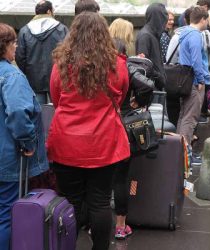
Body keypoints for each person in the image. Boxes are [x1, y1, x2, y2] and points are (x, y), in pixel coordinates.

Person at [47, 12, 130, 250]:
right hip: (105, 142)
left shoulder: (61, 65)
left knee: (71, 201)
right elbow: (120, 97)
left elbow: (56, 100)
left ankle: (65, 245)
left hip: (67, 143)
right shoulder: (118, 65)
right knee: (100, 202)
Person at [0, 23, 49, 249]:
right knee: (6, 212)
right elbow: (19, 112)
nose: (16, 46)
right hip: (7, 156)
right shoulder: (11, 76)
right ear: (5, 46)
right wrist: (28, 142)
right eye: (14, 43)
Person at [108, 17, 135, 240]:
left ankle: (93, 223)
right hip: (124, 124)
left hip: (102, 126)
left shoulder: (98, 65)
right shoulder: (129, 64)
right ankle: (120, 225)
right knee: (121, 178)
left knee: (99, 179)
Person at [15, 0, 68, 104]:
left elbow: (19, 57)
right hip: (57, 78)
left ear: (36, 13)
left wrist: (28, 72)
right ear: (49, 11)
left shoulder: (24, 31)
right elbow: (68, 53)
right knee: (57, 110)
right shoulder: (62, 29)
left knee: (38, 113)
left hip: (34, 80)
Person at [177, 6, 210, 160]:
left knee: (184, 115)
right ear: (203, 19)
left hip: (184, 79)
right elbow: (196, 60)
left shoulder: (183, 33)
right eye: (207, 20)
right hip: (194, 81)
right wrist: (201, 80)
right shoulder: (196, 35)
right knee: (191, 117)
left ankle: (178, 149)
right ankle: (186, 153)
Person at [136, 3, 168, 90]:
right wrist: (159, 77)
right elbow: (143, 66)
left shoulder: (153, 34)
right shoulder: (145, 36)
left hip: (155, 85)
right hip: (151, 88)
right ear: (158, 18)